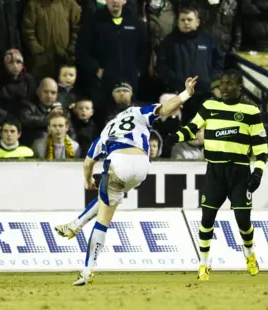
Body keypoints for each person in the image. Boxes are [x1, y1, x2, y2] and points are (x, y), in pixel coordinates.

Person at [53, 75, 198, 286]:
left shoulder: (104, 134)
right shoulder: (137, 112)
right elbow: (166, 109)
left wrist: (87, 181)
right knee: (110, 198)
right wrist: (185, 94)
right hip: (142, 166)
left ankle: (87, 270)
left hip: (118, 163)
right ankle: (75, 224)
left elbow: (87, 164)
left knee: (103, 221)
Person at [165, 69, 267, 280]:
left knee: (243, 221)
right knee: (206, 218)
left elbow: (261, 148)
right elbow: (193, 128)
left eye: (230, 83)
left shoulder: (251, 112)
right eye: (222, 83)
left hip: (239, 173)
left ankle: (249, 254)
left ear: (240, 86)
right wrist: (176, 136)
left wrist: (257, 174)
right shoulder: (209, 106)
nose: (225, 87)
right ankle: (204, 264)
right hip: (215, 171)